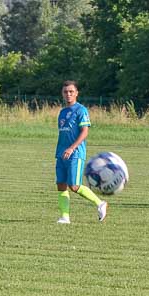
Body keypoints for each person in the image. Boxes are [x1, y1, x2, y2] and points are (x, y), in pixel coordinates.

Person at [55, 80, 107, 224]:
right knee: (61, 185)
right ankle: (65, 217)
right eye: (65, 92)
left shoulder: (81, 110)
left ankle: (100, 203)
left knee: (74, 186)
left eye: (71, 91)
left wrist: (72, 148)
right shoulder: (62, 112)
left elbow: (84, 132)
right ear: (62, 93)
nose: (68, 94)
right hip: (61, 153)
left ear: (76, 93)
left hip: (75, 153)